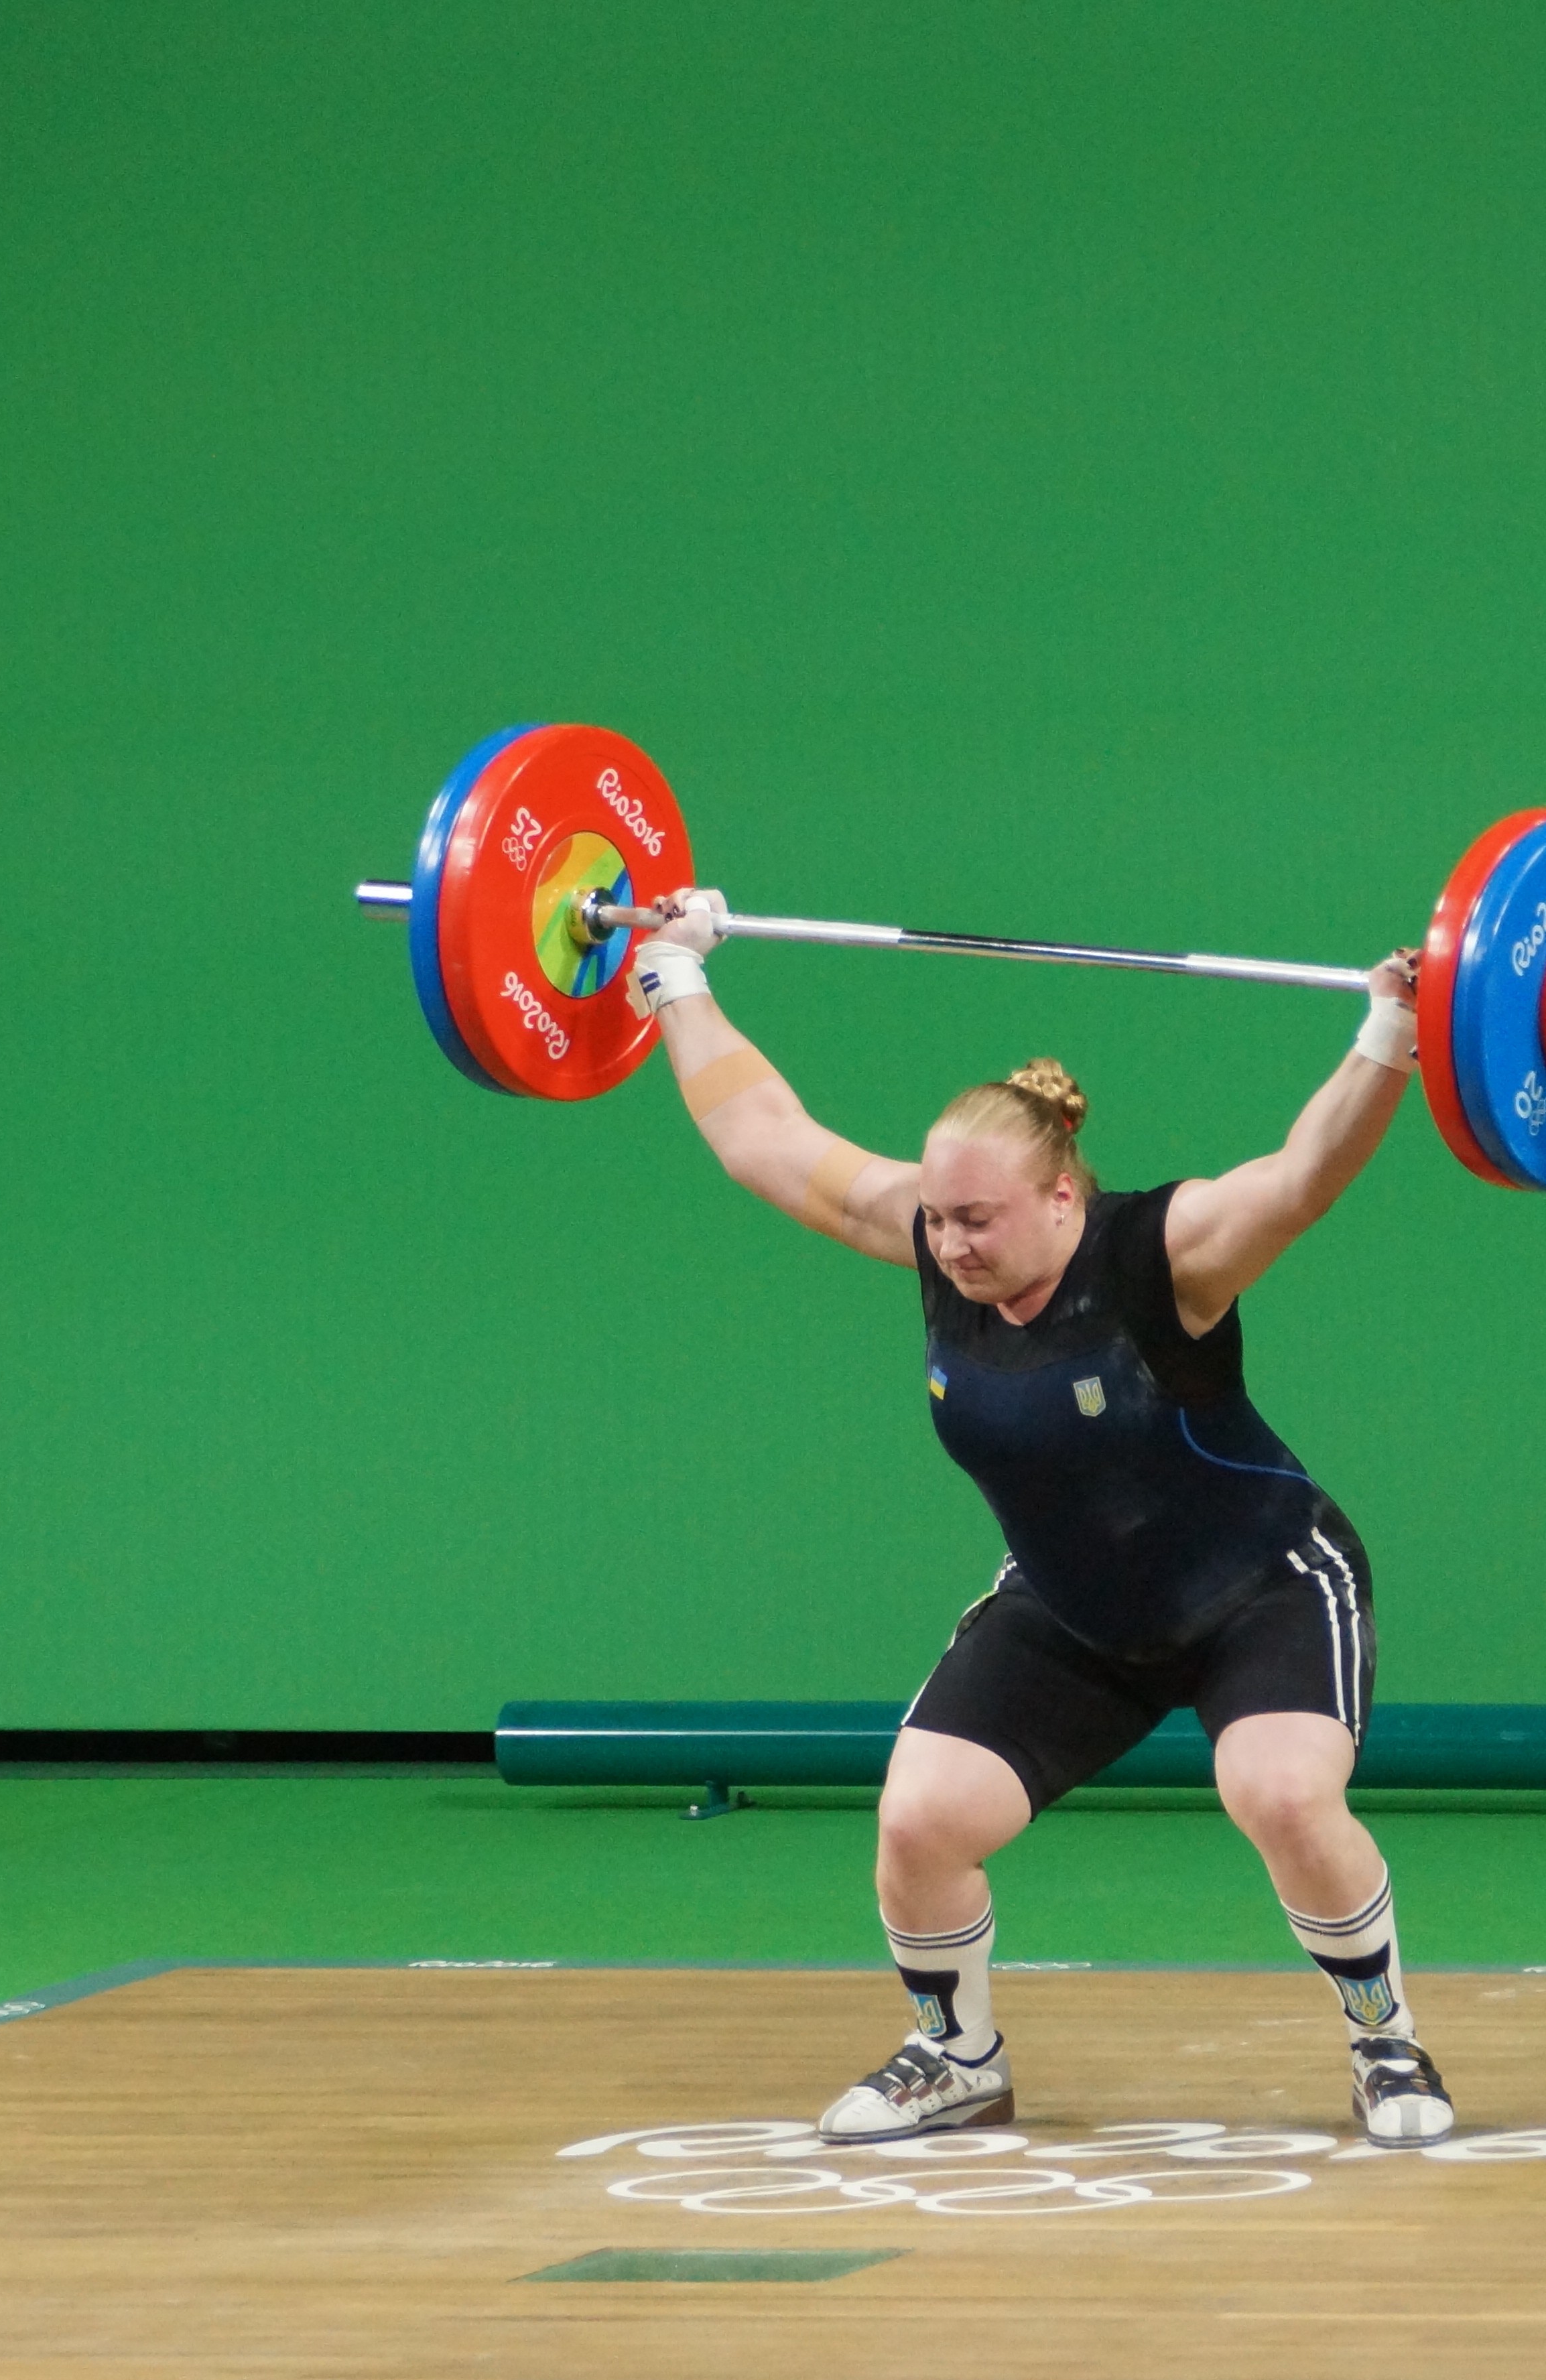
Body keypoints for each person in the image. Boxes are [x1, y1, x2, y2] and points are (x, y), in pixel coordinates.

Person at [620, 884, 1454, 2147]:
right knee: (919, 1819)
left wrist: (1390, 1029)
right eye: (939, 1219)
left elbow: (1300, 1181)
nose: (949, 1245)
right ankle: (958, 2058)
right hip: (1075, 1610)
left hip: (1264, 1586)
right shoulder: (932, 1245)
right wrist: (675, 975)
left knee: (1281, 1795)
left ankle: (1387, 2044)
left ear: (1062, 1197)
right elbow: (765, 1139)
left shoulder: (1160, 1255)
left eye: (978, 1220)